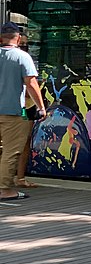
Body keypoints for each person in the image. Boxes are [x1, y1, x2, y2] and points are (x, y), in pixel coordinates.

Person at [0, 23, 47, 201]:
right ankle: (4, 189)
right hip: (12, 112)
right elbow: (32, 84)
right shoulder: (22, 57)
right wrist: (41, 107)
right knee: (11, 152)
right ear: (18, 38)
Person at [14, 33, 41, 189]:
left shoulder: (27, 59)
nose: (24, 46)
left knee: (25, 142)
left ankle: (20, 177)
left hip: (27, 106)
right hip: (14, 105)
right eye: (21, 43)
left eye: (26, 44)